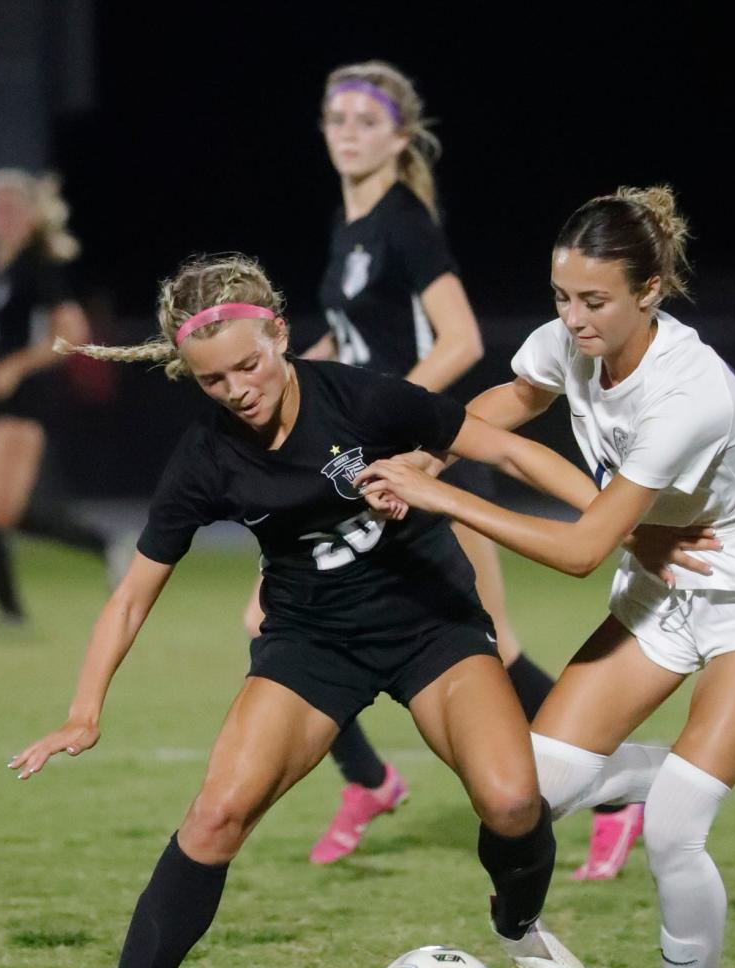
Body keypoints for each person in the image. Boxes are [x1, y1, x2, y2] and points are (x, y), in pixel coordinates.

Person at [8, 253, 607, 968]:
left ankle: (517, 924)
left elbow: (503, 451)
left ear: (281, 336)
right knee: (216, 813)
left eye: (250, 365)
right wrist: (86, 708)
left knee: (509, 802)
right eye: (214, 380)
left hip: (430, 623)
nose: (238, 390)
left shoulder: (362, 397)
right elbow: (132, 595)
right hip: (310, 643)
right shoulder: (206, 457)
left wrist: (615, 519)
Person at [356, 186, 735, 968]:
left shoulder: (688, 394)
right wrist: (431, 451)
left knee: (676, 829)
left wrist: (440, 494)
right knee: (526, 794)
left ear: (650, 291)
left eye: (594, 302)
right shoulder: (566, 344)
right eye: (560, 297)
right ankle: (672, 776)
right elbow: (515, 395)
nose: (572, 320)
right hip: (662, 586)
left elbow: (585, 548)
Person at [251, 60, 639, 872]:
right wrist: (269, 374)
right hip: (373, 465)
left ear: (399, 135)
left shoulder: (403, 223)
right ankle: (368, 778)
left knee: (487, 649)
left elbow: (459, 342)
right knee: (272, 619)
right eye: (337, 117)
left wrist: (387, 413)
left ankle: (619, 794)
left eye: (365, 119)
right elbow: (348, 349)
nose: (348, 132)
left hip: (426, 459)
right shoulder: (349, 228)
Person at [0, 169, 129, 630]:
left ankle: (104, 547)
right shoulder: (0, 269)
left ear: (30, 215)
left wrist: (12, 368)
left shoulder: (39, 264)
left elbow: (73, 334)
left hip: (27, 404)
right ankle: (14, 608)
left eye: (10, 208)